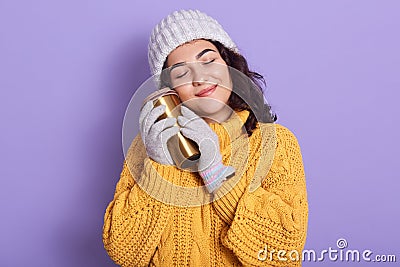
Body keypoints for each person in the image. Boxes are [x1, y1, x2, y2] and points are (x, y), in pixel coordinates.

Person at [103, 9, 308, 266]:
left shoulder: (276, 143)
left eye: (208, 60)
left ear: (230, 65)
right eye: (181, 73)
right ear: (170, 91)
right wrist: (160, 165)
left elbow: (285, 252)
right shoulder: (149, 147)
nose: (200, 78)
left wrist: (214, 173)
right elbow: (124, 251)